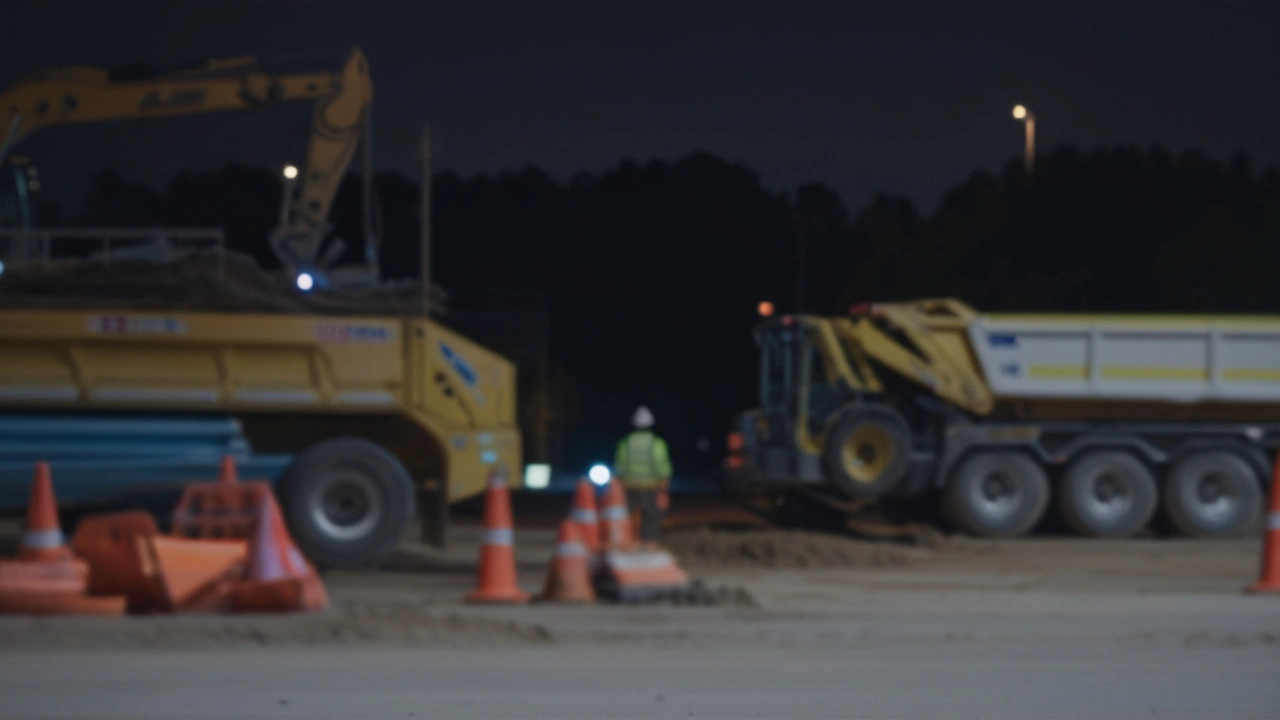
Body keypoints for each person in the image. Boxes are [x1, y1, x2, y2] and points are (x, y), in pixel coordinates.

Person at [613, 405, 672, 549]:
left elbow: (619, 468)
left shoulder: (625, 443)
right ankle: (649, 543)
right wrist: (664, 489)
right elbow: (662, 468)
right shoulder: (657, 444)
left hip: (629, 487)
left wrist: (618, 489)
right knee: (651, 516)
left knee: (625, 515)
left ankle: (626, 542)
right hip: (650, 487)